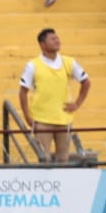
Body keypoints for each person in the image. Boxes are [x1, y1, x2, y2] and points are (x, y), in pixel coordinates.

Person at [18, 28, 90, 163]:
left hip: (63, 119)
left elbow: (86, 81)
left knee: (63, 159)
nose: (57, 41)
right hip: (42, 120)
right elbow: (23, 92)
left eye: (57, 38)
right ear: (42, 44)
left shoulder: (68, 62)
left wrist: (77, 103)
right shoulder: (32, 65)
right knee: (44, 160)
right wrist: (27, 116)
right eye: (52, 39)